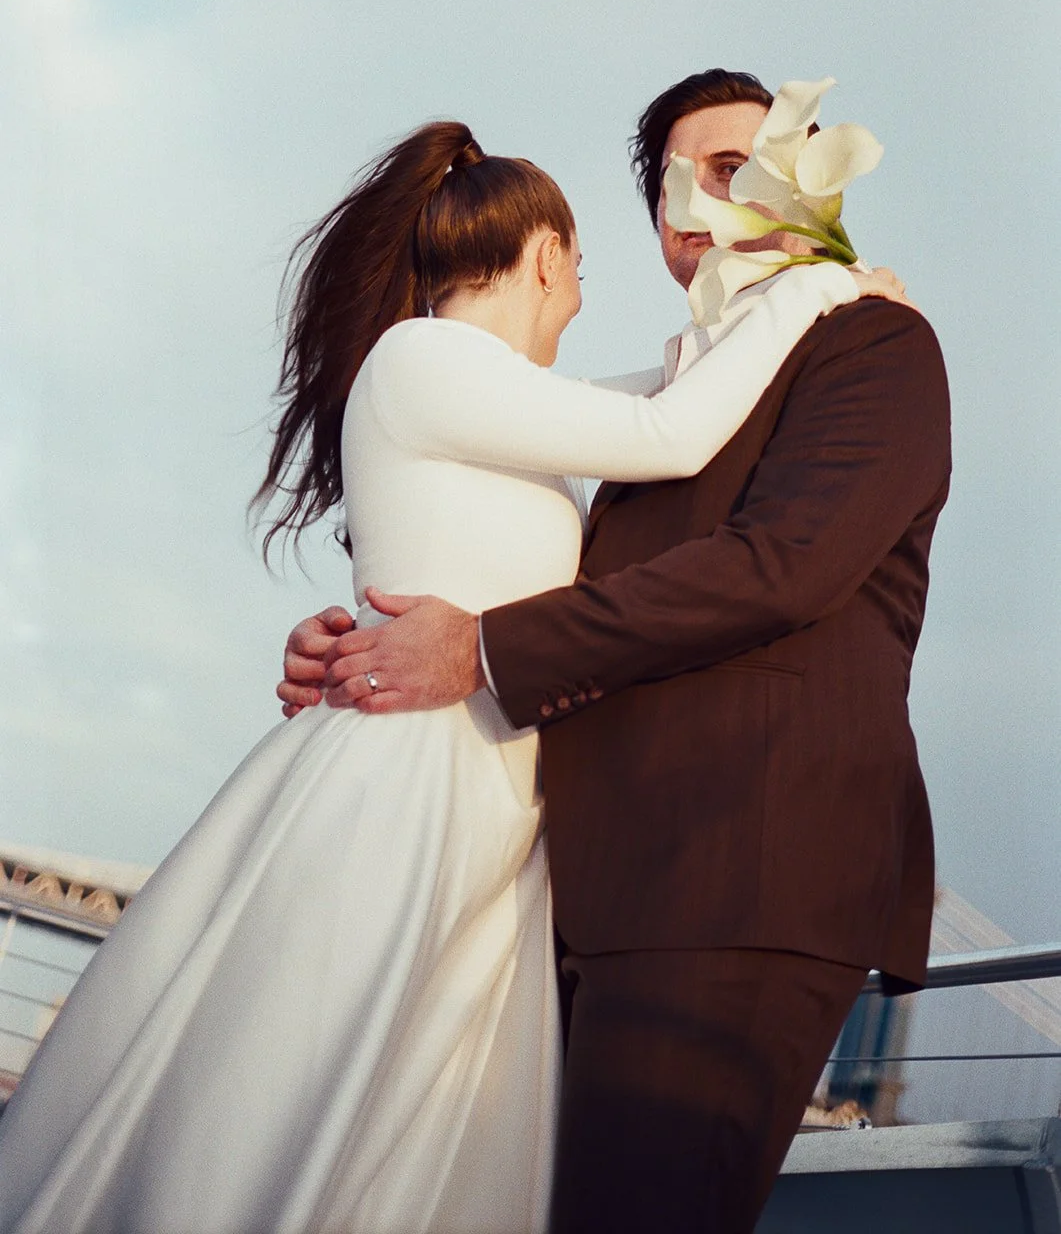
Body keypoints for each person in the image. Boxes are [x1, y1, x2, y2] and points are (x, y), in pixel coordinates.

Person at [0, 119, 899, 1234]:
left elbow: (661, 397)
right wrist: (813, 293)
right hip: (416, 783)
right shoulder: (425, 356)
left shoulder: (473, 389)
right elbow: (665, 430)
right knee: (327, 1085)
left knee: (407, 1116)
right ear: (542, 257)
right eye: (575, 272)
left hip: (491, 797)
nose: (576, 300)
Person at [281, 71, 952, 1234]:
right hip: (577, 899)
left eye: (741, 164)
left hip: (731, 881)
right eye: (681, 181)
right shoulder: (659, 404)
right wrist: (369, 641)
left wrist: (478, 647)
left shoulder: (873, 344)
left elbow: (776, 567)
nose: (709, 193)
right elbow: (555, 575)